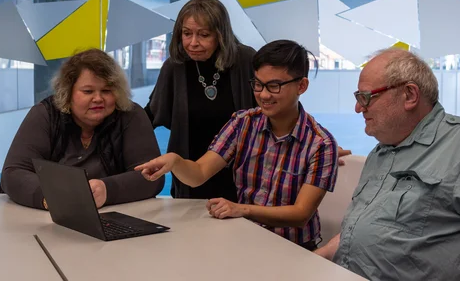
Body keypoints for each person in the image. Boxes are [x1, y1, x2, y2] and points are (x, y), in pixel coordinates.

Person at [137, 40, 340, 250]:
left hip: (295, 249)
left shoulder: (321, 144)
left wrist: (242, 210)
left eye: (274, 86)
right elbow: (199, 173)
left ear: (302, 86)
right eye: (258, 84)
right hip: (243, 240)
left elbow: (300, 214)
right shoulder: (243, 123)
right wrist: (175, 162)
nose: (263, 95)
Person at [314, 48, 460, 281]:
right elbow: (362, 229)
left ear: (409, 95)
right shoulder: (382, 150)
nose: (358, 108)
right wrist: (316, 258)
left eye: (365, 97)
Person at [0, 48, 164, 210]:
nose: (98, 98)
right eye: (88, 91)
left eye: (106, 91)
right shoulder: (46, 114)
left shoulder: (131, 115)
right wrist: (49, 197)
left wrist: (107, 190)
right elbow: (13, 173)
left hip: (114, 217)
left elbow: (152, 176)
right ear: (68, 92)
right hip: (45, 219)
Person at [145, 0, 256, 202]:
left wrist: (315, 142)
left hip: (242, 176)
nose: (193, 43)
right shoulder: (175, 67)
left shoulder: (245, 60)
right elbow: (149, 115)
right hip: (190, 176)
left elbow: (276, 106)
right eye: (186, 34)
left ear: (221, 35)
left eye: (204, 35)